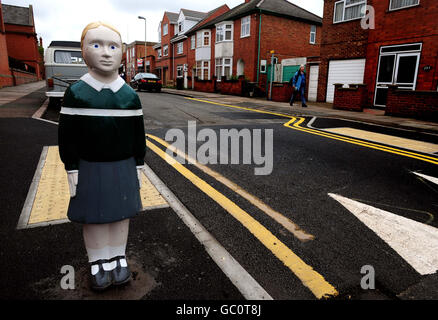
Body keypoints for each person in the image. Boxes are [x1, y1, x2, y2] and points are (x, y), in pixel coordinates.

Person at [58, 21, 146, 291]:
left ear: (122, 53)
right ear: (84, 51)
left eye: (113, 46)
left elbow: (138, 136)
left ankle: (118, 256)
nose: (106, 53)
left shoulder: (130, 96)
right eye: (96, 45)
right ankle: (98, 261)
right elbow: (67, 136)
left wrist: (139, 166)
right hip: (90, 167)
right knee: (94, 216)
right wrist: (71, 167)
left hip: (123, 166)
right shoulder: (76, 94)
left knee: (121, 215)